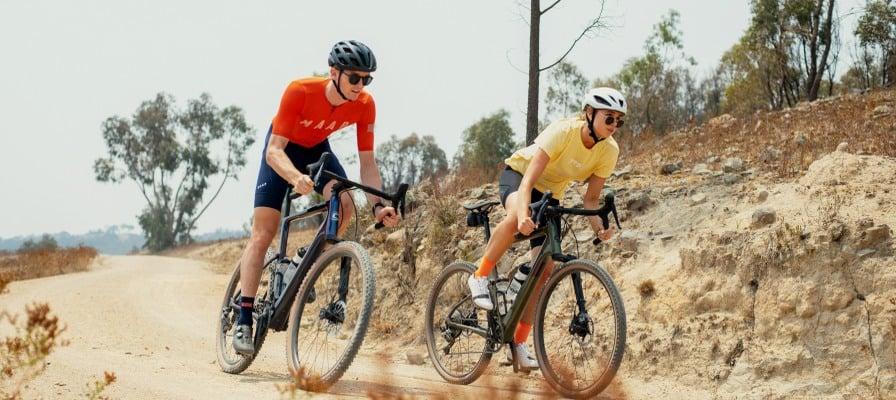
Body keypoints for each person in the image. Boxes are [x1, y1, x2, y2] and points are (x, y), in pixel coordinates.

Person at [233, 40, 400, 355]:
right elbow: (273, 151)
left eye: (367, 79)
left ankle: (301, 262)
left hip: (316, 151)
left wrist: (378, 206)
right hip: (283, 150)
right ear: (334, 73)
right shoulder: (300, 90)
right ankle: (243, 319)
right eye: (354, 77)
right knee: (263, 233)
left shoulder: (365, 104)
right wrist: (295, 177)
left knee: (345, 203)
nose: (360, 85)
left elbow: (367, 164)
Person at [466, 87, 627, 370]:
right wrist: (523, 216)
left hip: (550, 195)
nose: (614, 125)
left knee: (545, 269)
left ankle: (518, 344)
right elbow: (528, 182)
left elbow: (591, 199)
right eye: (609, 118)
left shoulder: (609, 150)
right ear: (589, 113)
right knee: (515, 217)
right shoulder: (563, 131)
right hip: (520, 177)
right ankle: (479, 276)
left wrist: (600, 229)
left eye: (619, 120)